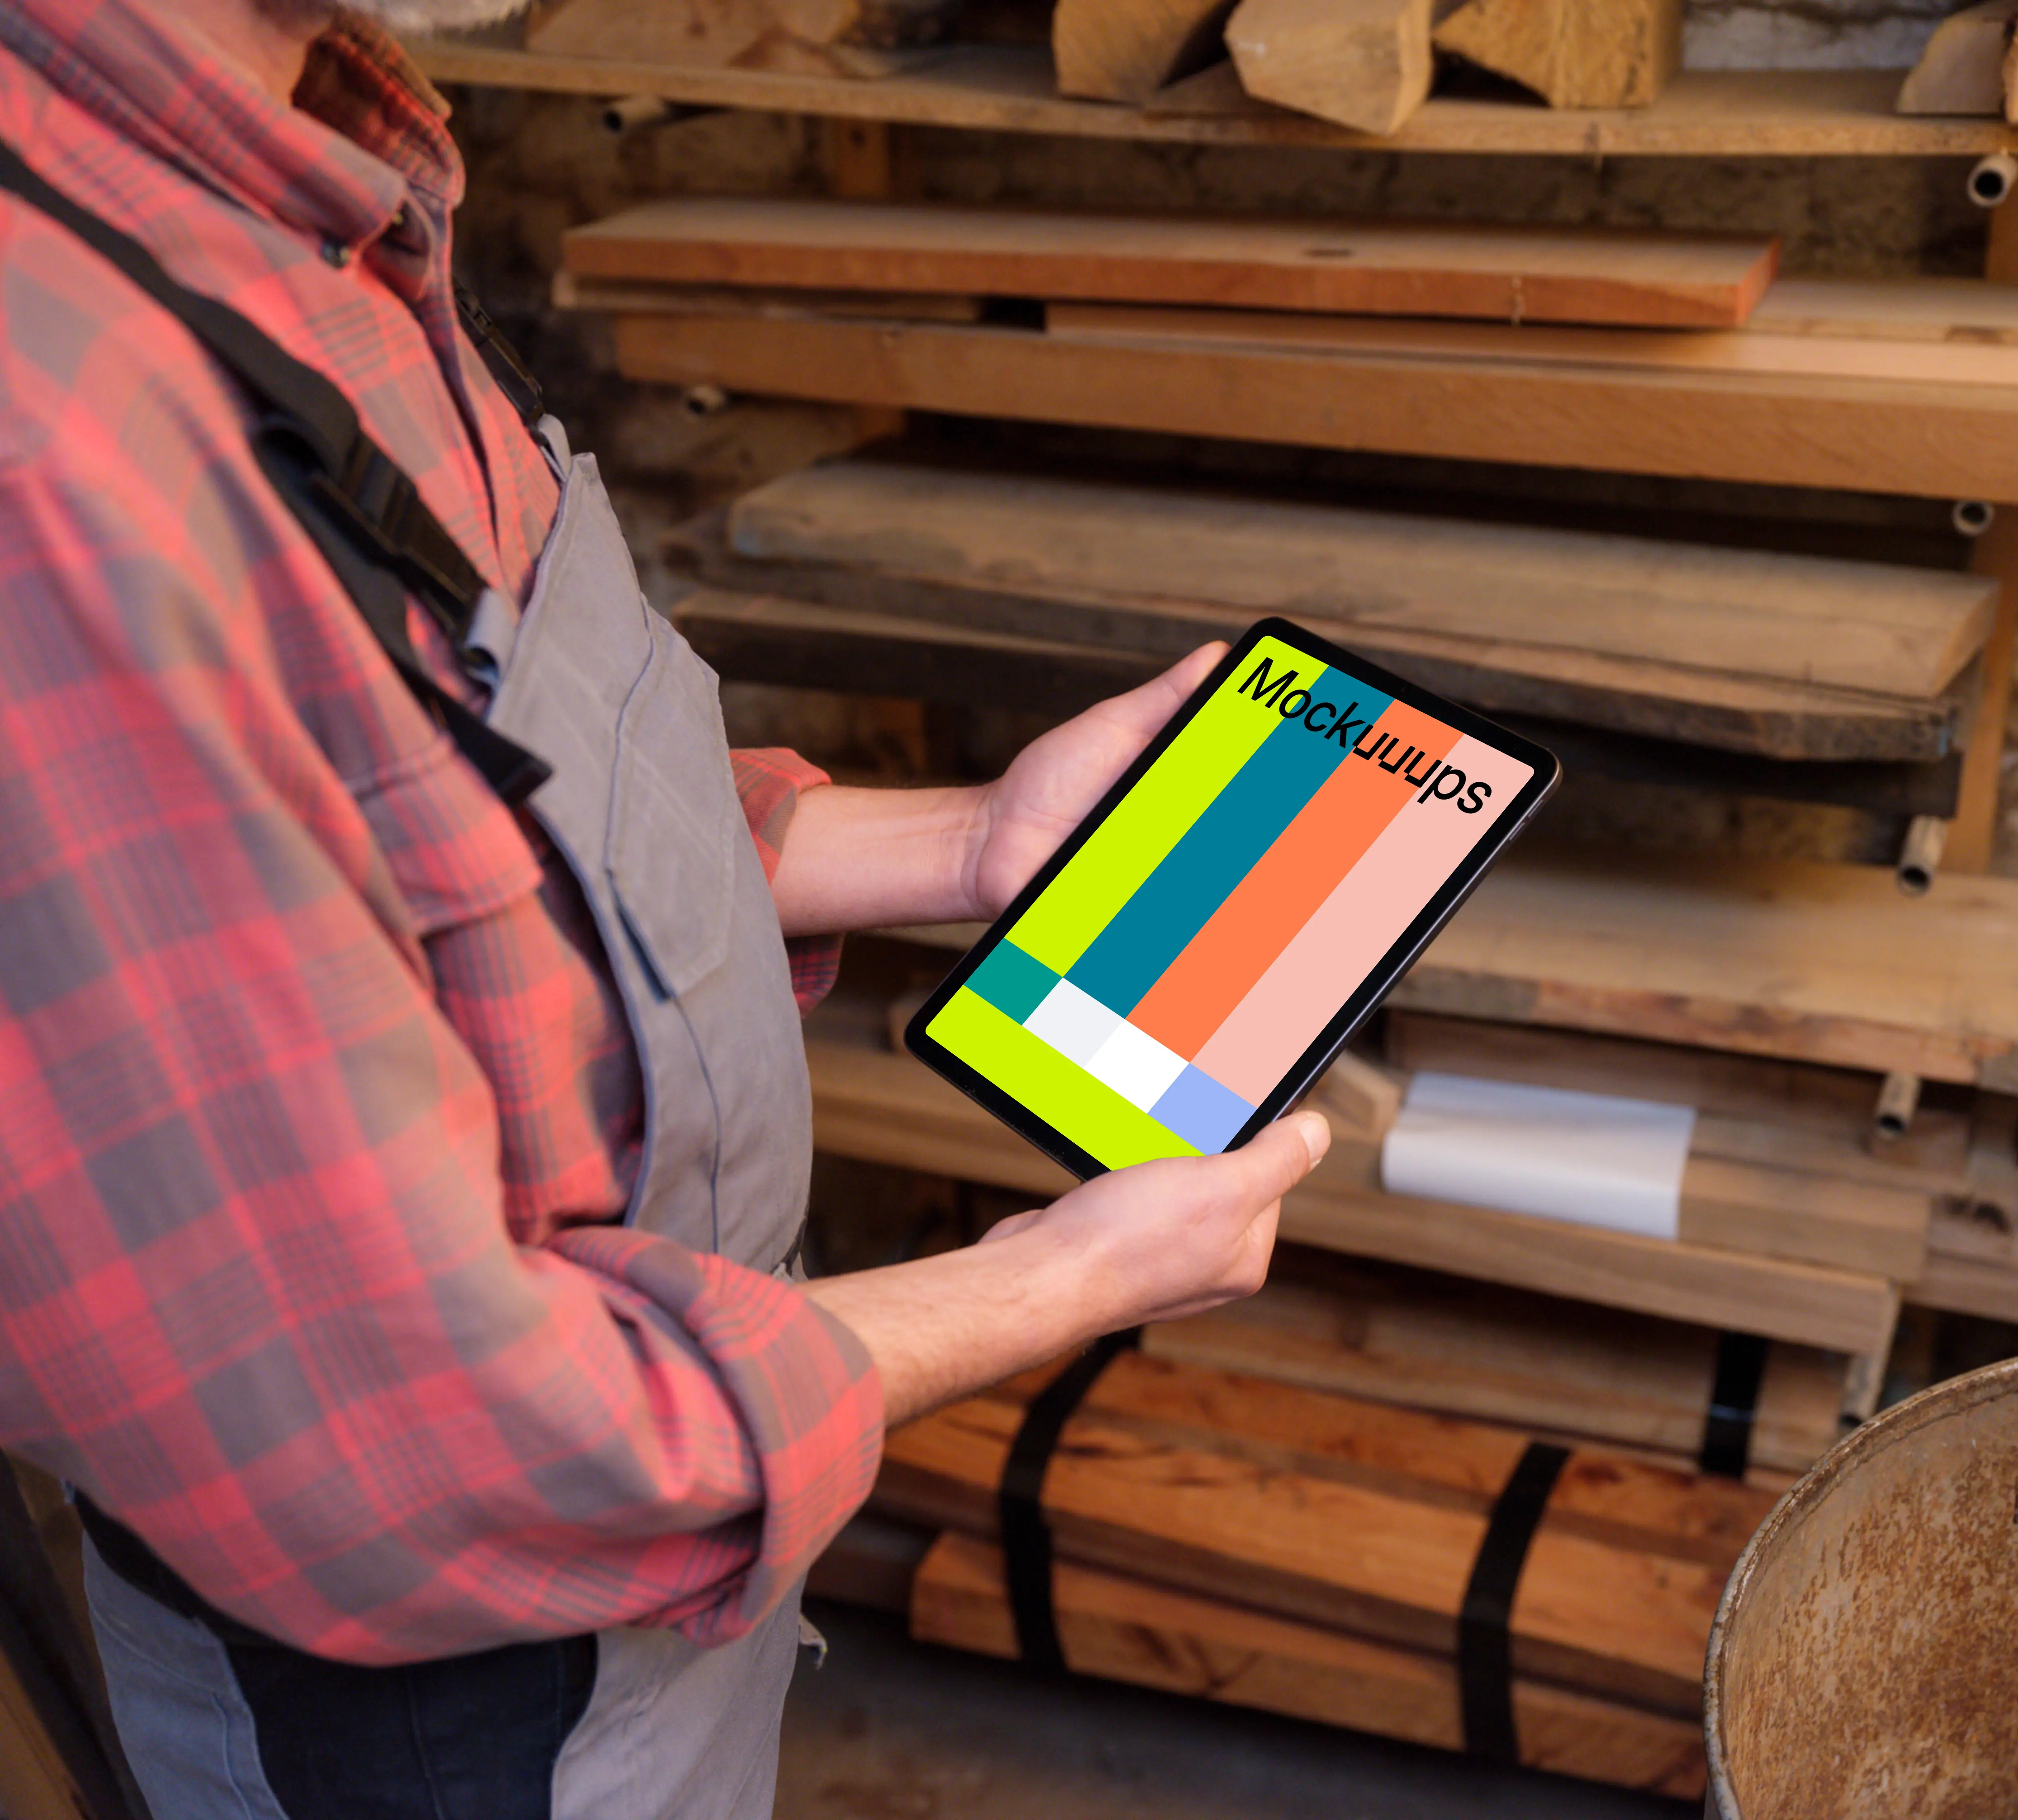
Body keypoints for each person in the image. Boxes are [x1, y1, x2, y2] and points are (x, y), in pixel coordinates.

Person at [0, 0, 1329, 1812]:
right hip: (446, 1708)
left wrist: (969, 846)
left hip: (649, 1592)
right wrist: (1058, 1280)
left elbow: (471, 832)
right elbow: (407, 1453)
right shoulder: (55, 453)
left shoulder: (297, 170)